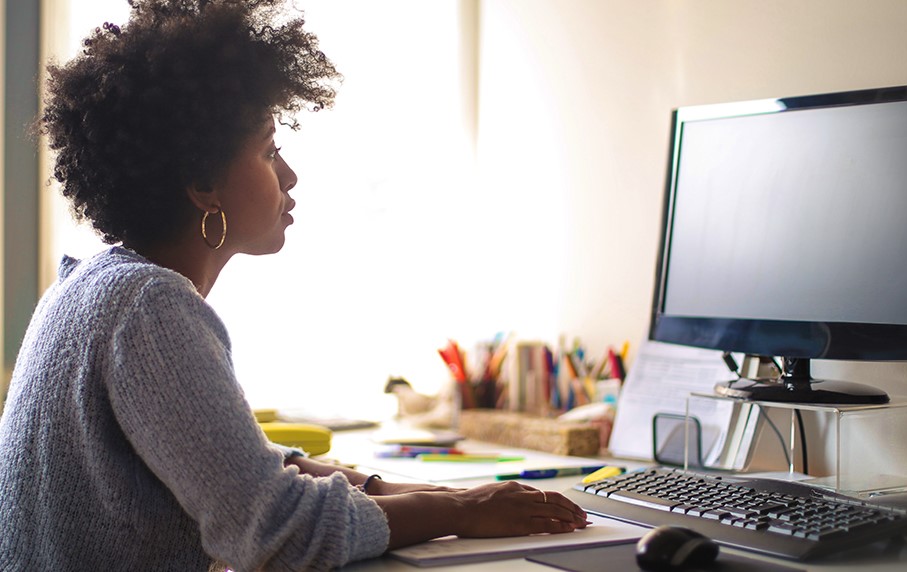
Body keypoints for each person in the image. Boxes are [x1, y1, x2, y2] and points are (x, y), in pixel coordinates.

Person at [0, 0, 589, 570]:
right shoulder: (149, 307)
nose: (290, 174)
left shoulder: (89, 288)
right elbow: (275, 530)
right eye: (268, 150)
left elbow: (237, 466)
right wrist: (461, 507)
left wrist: (396, 487)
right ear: (204, 184)